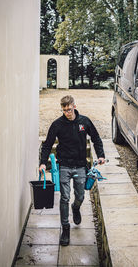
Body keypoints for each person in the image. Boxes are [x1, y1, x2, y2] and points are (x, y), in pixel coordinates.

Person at [39, 95, 105, 246]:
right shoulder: (57, 124)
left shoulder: (85, 121)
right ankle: (66, 229)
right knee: (64, 197)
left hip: (81, 165)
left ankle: (76, 208)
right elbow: (47, 144)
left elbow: (96, 138)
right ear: (62, 109)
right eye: (64, 110)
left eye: (69, 109)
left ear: (74, 106)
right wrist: (43, 163)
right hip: (64, 166)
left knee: (80, 196)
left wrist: (101, 155)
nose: (67, 113)